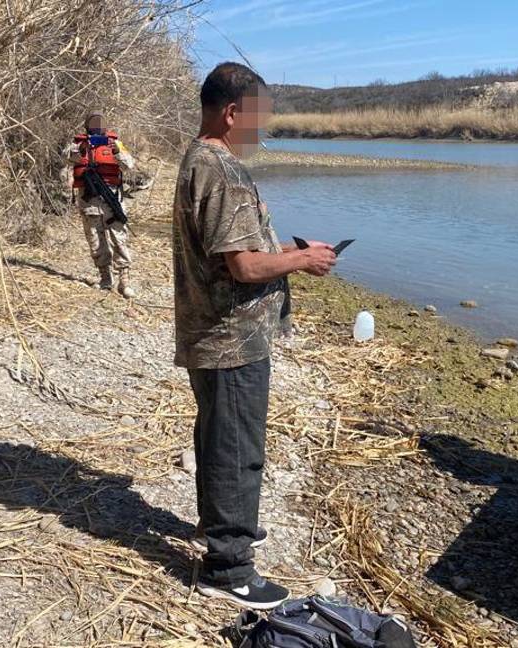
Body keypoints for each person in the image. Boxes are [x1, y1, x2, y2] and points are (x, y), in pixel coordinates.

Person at [171, 62, 338, 609]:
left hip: (216, 334)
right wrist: (300, 260)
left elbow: (235, 252)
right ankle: (229, 564)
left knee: (220, 436)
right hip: (229, 338)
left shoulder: (202, 160)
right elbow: (242, 266)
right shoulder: (219, 169)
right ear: (232, 112)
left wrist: (288, 250)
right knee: (235, 447)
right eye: (258, 119)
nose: (261, 131)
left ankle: (224, 524)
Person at [67, 112, 136, 298]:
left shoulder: (116, 143)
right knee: (96, 241)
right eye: (93, 124)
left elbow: (129, 164)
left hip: (112, 197)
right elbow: (68, 157)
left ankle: (124, 281)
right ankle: (106, 279)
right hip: (89, 200)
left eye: (100, 124)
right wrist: (81, 150)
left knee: (119, 238)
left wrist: (116, 151)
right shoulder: (77, 143)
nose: (97, 127)